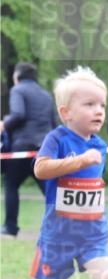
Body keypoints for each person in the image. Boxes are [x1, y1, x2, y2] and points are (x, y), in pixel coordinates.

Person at [21, 67, 108, 279]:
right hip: (58, 235)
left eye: (102, 105)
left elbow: (91, 186)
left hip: (91, 234)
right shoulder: (57, 139)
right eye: (89, 104)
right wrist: (79, 160)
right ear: (66, 112)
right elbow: (41, 169)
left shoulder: (100, 146)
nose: (98, 111)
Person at [1, 62, 57, 237]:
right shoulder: (46, 95)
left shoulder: (18, 90)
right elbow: (53, 123)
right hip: (43, 149)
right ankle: (61, 225)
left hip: (22, 147)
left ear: (17, 77)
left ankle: (10, 227)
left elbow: (19, 114)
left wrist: (4, 124)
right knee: (50, 189)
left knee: (11, 184)